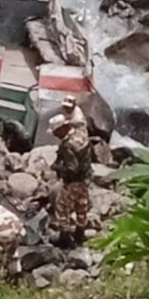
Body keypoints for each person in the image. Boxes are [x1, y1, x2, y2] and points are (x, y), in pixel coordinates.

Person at [48, 94, 92, 245]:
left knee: (62, 207)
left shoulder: (68, 146)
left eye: (55, 132)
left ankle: (65, 238)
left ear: (63, 128)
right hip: (85, 179)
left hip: (72, 182)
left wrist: (57, 167)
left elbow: (72, 168)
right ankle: (80, 234)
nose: (55, 135)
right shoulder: (81, 135)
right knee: (82, 206)